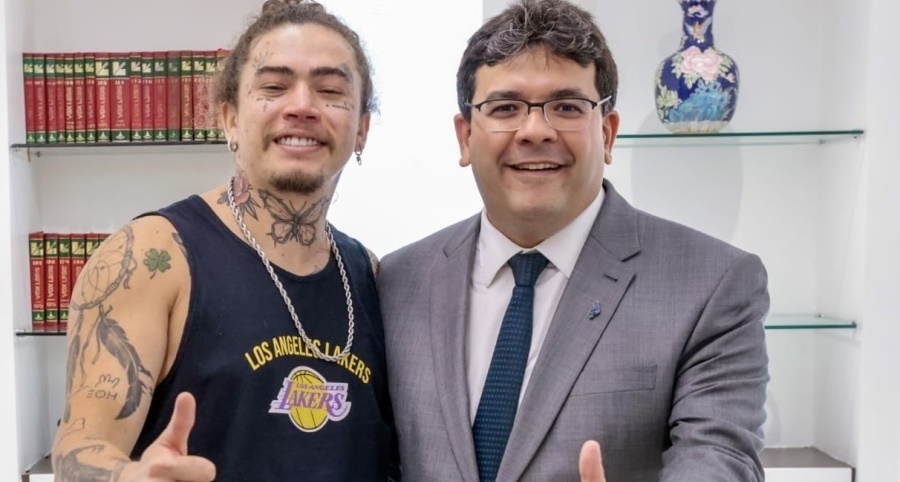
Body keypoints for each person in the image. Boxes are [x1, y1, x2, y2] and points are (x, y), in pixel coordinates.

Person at [377, 0, 770, 480]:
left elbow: (721, 459)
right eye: (505, 108)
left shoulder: (711, 284)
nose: (535, 131)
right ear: (465, 137)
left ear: (607, 133)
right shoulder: (398, 281)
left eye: (566, 107)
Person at [51, 1, 399, 480]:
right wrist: (130, 476)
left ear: (361, 129)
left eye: (330, 90)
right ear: (230, 119)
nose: (302, 106)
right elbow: (79, 449)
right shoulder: (152, 257)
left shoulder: (369, 273)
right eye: (273, 87)